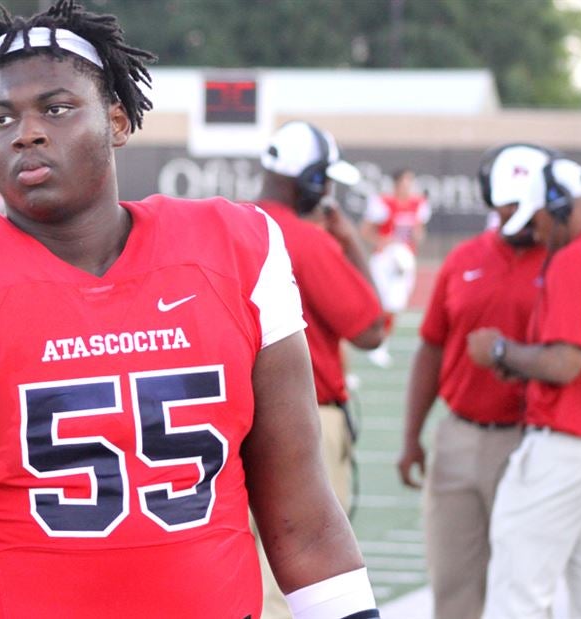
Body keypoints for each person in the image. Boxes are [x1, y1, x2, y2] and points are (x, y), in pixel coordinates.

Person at [0, 2, 380, 618]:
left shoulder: (236, 250)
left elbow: (304, 520)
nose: (26, 132)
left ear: (117, 120)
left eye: (56, 108)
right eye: (0, 117)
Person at [465, 146, 581, 619]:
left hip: (570, 449)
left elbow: (566, 363)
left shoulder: (575, 259)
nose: (536, 234)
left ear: (559, 205)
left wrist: (501, 351)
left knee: (518, 594)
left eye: (538, 220)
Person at [396, 144, 548, 619]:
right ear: (490, 198)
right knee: (454, 589)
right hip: (459, 436)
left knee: (525, 590)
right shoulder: (463, 259)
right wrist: (411, 436)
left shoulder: (562, 261)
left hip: (531, 441)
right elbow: (431, 348)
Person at [253, 120, 387, 619]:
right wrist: (350, 244)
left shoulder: (229, 225)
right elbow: (370, 327)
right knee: (304, 573)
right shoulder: (304, 241)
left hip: (232, 418)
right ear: (311, 181)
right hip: (302, 417)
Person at [361, 168, 431, 367]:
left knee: (396, 304)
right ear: (396, 184)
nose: (408, 187)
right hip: (385, 258)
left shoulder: (419, 204)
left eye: (411, 182)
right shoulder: (384, 203)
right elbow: (366, 230)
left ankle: (382, 342)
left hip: (405, 258)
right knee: (381, 302)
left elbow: (419, 233)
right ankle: (376, 342)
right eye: (405, 182)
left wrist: (417, 236)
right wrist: (382, 241)